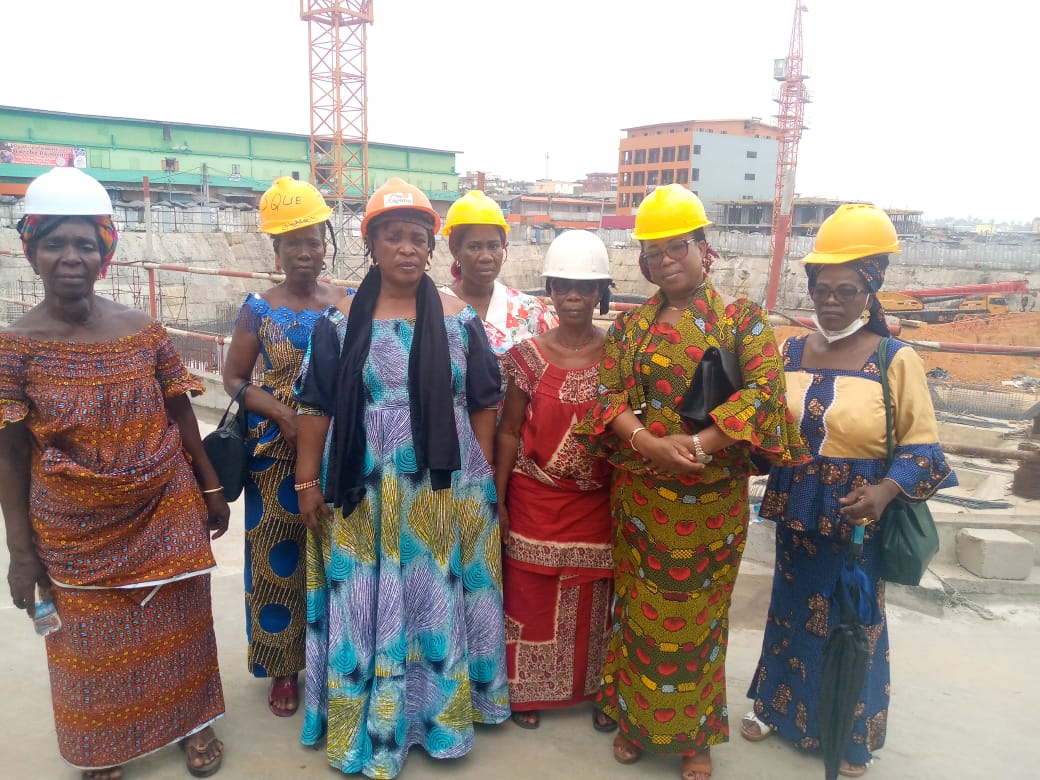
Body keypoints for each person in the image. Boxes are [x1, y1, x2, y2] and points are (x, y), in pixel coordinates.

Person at [572, 184, 808, 780]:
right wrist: (650, 443)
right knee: (638, 609)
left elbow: (764, 395)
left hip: (710, 500)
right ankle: (632, 719)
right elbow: (608, 398)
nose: (664, 260)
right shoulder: (630, 327)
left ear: (706, 250)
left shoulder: (742, 319)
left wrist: (700, 445)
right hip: (643, 499)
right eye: (652, 253)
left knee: (700, 617)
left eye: (677, 247)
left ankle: (695, 739)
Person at [0, 167, 229, 780]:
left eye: (84, 244)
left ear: (105, 253)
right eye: (55, 243)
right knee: (88, 644)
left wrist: (209, 487)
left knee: (180, 623)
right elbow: (11, 454)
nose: (70, 257)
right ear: (32, 251)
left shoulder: (143, 331)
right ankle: (104, 745)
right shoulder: (14, 348)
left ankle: (193, 722)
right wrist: (20, 552)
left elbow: (182, 413)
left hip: (164, 503)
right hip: (71, 523)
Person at [292, 178, 509, 779]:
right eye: (394, 237)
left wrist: (480, 475)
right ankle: (375, 718)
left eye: (418, 238)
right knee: (364, 595)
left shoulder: (458, 317)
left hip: (442, 482)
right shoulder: (338, 320)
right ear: (373, 244)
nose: (407, 248)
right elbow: (315, 405)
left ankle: (435, 718)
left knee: (432, 596)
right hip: (361, 479)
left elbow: (485, 398)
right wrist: (308, 481)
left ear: (432, 247)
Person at [742, 204, 956, 778]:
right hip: (796, 509)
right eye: (821, 289)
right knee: (788, 606)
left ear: (870, 290)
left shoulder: (893, 359)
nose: (831, 301)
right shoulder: (789, 352)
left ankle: (845, 728)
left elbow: (924, 449)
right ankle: (775, 705)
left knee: (850, 619)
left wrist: (885, 492)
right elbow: (767, 427)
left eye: (846, 290)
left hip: (858, 517)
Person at [222, 177, 346, 718]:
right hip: (272, 460)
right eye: (292, 243)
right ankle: (281, 668)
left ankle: (336, 658)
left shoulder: (346, 302)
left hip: (338, 455)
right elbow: (232, 379)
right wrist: (283, 415)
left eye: (313, 240)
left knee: (337, 556)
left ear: (326, 245)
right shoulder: (258, 309)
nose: (304, 252)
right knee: (277, 559)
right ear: (275, 251)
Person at [494, 230, 615, 732]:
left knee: (593, 603)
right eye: (563, 286)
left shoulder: (618, 356)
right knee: (529, 597)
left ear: (599, 294)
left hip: (595, 504)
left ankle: (596, 691)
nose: (572, 297)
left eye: (584, 288)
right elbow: (507, 433)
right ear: (550, 289)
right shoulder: (525, 356)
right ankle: (526, 693)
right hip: (533, 499)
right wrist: (496, 499)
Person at [440, 190, 557, 361]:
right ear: (455, 250)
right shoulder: (434, 309)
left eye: (494, 246)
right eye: (474, 247)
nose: (486, 256)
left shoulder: (531, 312)